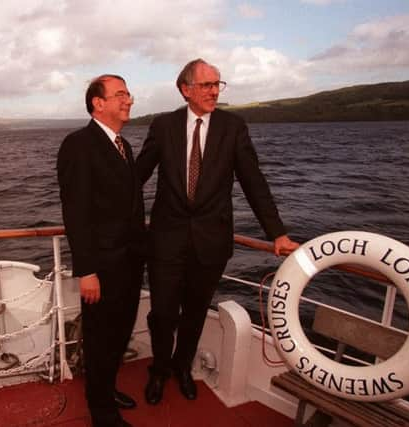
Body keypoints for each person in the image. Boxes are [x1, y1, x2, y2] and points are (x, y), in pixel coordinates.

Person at [135, 59, 299, 405]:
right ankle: (160, 369)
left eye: (217, 85)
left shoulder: (233, 127)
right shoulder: (163, 126)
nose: (214, 91)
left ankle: (182, 367)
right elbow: (137, 177)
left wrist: (277, 232)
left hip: (211, 241)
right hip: (166, 240)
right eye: (207, 85)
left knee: (195, 311)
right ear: (186, 89)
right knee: (163, 312)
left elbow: (254, 181)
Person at [57, 74, 145, 427]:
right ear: (98, 102)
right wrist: (87, 271)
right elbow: (75, 213)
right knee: (99, 338)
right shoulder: (78, 144)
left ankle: (106, 390)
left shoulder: (124, 146)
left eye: (129, 93)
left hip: (129, 262)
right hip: (103, 267)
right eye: (121, 94)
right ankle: (101, 411)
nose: (129, 99)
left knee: (120, 333)